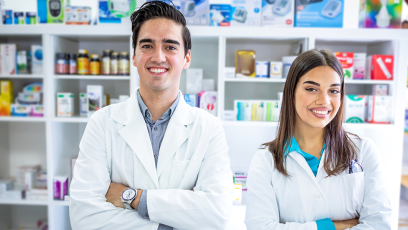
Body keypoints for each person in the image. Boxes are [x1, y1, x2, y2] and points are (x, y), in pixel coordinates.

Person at [69, 1, 233, 229]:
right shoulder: (102, 123)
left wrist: (132, 197)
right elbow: (84, 218)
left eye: (170, 46)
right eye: (147, 46)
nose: (158, 57)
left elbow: (219, 214)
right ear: (134, 56)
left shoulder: (209, 128)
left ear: (186, 58)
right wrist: (173, 222)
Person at [244, 49, 392, 230]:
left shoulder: (364, 150)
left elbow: (380, 225)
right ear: (291, 92)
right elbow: (260, 227)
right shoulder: (266, 160)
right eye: (311, 89)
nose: (324, 100)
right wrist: (329, 226)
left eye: (334, 90)